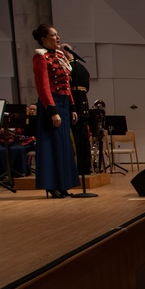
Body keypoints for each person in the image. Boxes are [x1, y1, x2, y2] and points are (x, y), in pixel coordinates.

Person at [31, 24, 80, 198]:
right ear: (43, 39)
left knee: (64, 145)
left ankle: (64, 184)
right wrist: (53, 111)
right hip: (51, 104)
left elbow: (66, 84)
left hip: (64, 102)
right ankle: (52, 185)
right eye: (53, 35)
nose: (57, 37)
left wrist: (72, 106)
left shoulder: (60, 56)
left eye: (57, 34)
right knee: (51, 145)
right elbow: (43, 87)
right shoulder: (40, 57)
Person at [61, 43, 91, 177]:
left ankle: (78, 169)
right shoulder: (83, 69)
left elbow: (66, 89)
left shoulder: (68, 68)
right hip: (84, 104)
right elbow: (87, 88)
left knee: (75, 139)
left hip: (73, 105)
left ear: (66, 53)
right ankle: (86, 167)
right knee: (84, 138)